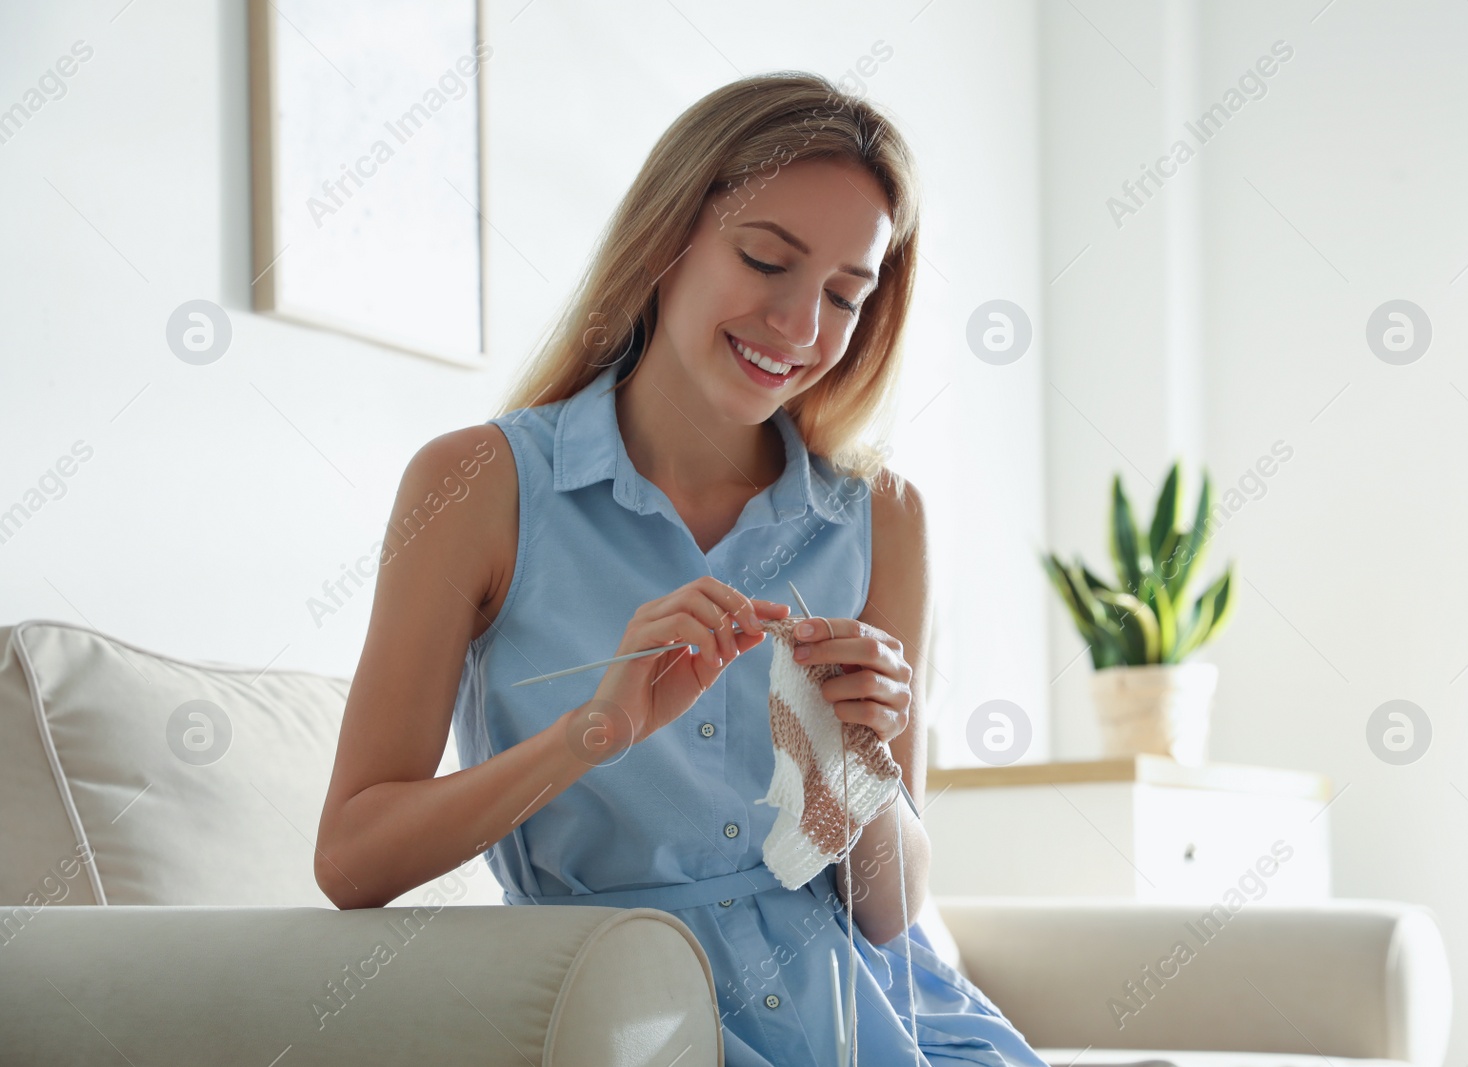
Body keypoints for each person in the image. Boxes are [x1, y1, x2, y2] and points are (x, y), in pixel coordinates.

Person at [314, 71, 1050, 1066]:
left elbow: (887, 911)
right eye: (764, 260)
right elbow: (353, 857)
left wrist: (858, 769)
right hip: (622, 1009)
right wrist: (596, 728)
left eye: (844, 294)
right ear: (668, 238)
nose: (799, 328)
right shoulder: (476, 483)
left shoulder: (884, 515)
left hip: (878, 1012)